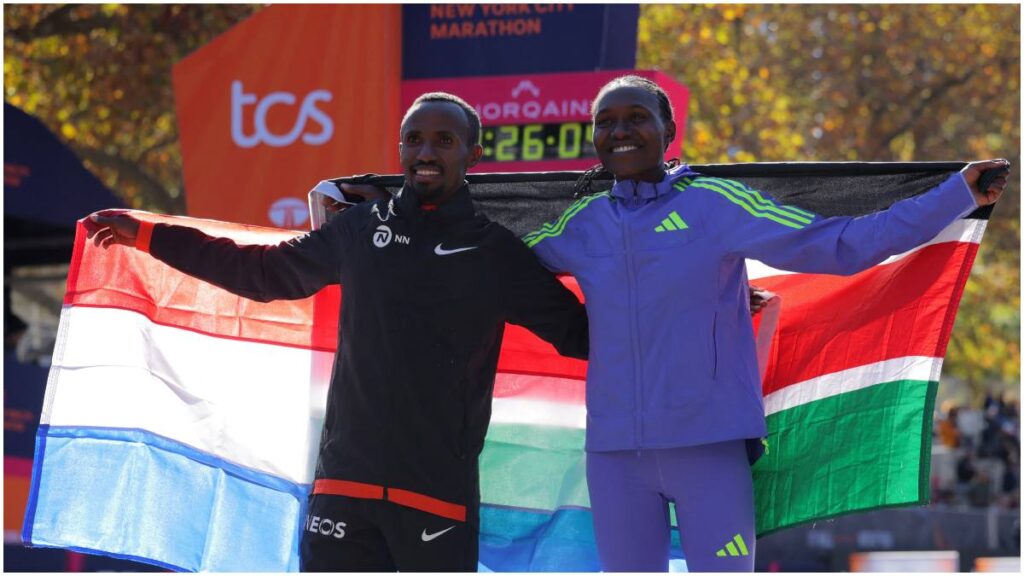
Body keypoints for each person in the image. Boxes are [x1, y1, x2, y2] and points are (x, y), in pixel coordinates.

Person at [522, 74, 1010, 572]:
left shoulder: (713, 204)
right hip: (615, 456)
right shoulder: (581, 224)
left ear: (668, 129)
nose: (619, 131)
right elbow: (495, 268)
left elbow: (840, 244)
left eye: (635, 118)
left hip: (708, 453)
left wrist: (956, 195)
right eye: (605, 122)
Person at [85, 92, 590, 572]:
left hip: (437, 495)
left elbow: (578, 335)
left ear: (473, 155)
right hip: (345, 484)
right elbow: (263, 274)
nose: (425, 151)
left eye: (443, 140)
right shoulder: (360, 228)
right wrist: (152, 235)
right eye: (413, 140)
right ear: (399, 150)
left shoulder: (495, 253)